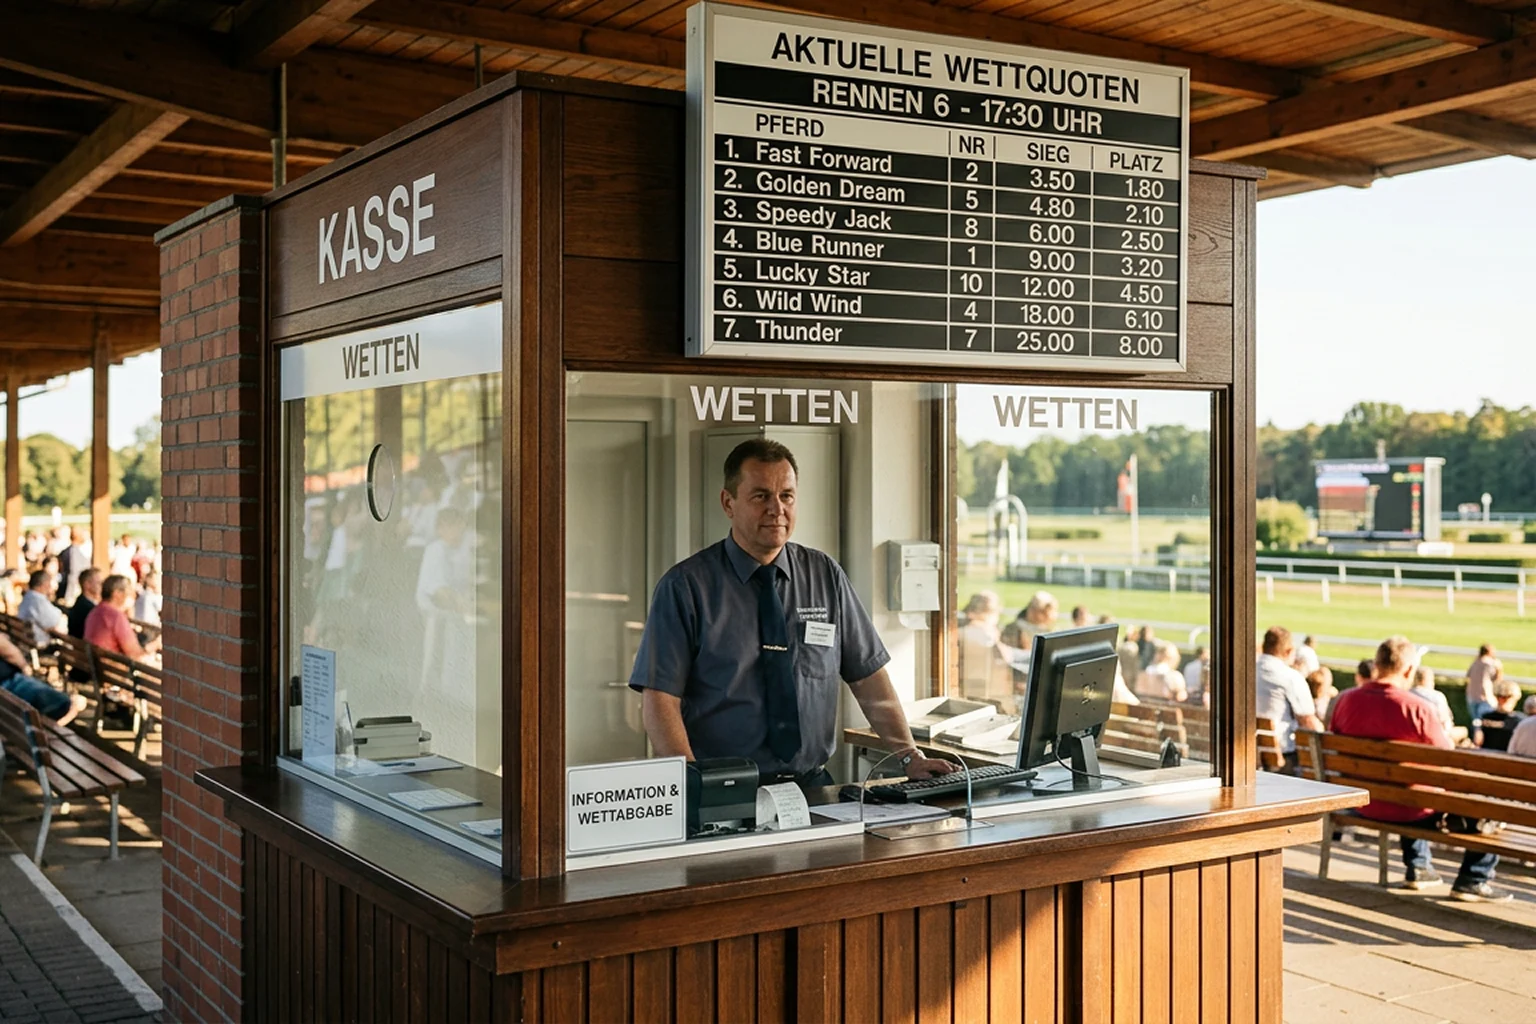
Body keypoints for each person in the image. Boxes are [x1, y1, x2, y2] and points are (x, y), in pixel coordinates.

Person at [629, 439, 958, 784]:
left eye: (786, 496)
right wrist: (694, 782)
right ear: (728, 503)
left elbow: (869, 677)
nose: (776, 509)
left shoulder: (824, 575)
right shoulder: (686, 587)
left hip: (812, 786)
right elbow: (660, 699)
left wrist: (909, 756)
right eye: (760, 496)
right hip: (725, 789)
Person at [1330, 635, 1509, 902]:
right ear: (1410, 670)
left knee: (1410, 785)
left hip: (1362, 802)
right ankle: (1473, 878)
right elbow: (1448, 760)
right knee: (1487, 805)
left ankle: (1420, 867)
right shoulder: (1417, 709)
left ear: (1376, 664)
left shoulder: (1345, 701)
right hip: (1410, 807)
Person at [1255, 627, 1322, 773]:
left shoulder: (1248, 671)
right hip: (1282, 757)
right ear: (1288, 651)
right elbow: (1308, 720)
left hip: (1249, 750)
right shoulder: (1290, 677)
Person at [0, 631, 84, 725]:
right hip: (11, 688)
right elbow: (11, 653)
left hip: (10, 720)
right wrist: (25, 669)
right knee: (67, 705)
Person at [85, 574, 160, 661]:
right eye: (129, 592)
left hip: (97, 668)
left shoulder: (95, 611)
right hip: (113, 670)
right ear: (117, 594)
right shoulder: (116, 617)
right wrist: (156, 644)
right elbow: (135, 654)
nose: (133, 596)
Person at [1473, 677, 1526, 753]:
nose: (1503, 700)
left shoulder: (1485, 717)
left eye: (1507, 697)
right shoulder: (1521, 720)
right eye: (1500, 696)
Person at [17, 570, 67, 648]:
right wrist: (63, 618)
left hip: (28, 641)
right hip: (41, 644)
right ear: (45, 584)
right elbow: (53, 625)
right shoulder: (37, 600)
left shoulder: (28, 597)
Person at [1407, 664, 1455, 738]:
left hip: (1409, 737)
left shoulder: (1405, 694)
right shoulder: (1437, 696)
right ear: (1426, 680)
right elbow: (1445, 723)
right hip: (1433, 738)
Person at [1465, 644, 1502, 721]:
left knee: (1475, 722)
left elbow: (1468, 676)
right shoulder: (1492, 663)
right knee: (1486, 722)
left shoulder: (1475, 662)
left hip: (1472, 695)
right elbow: (1498, 679)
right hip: (1486, 696)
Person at [58, 528, 92, 606]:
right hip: (75, 588)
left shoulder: (71, 550)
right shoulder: (73, 552)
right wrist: (69, 594)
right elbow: (73, 572)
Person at [67, 568, 103, 639]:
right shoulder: (89, 608)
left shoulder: (81, 601)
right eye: (99, 583)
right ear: (87, 584)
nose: (102, 586)